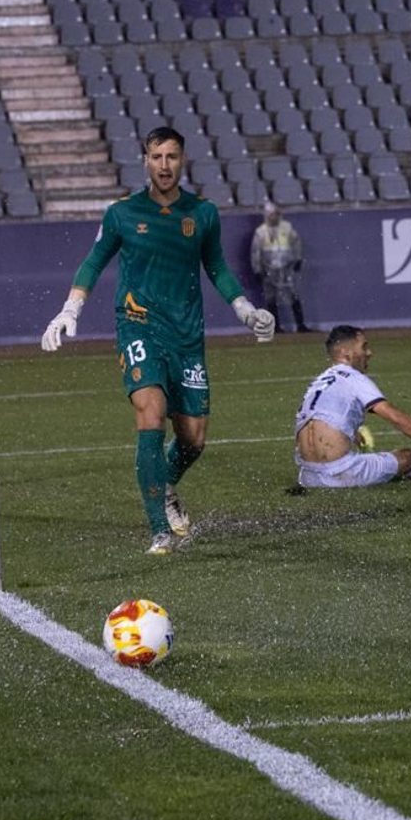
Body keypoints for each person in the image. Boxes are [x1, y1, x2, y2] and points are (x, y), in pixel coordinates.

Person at [38, 127, 277, 555]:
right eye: (156, 157)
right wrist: (71, 308)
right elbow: (93, 262)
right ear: (144, 161)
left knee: (194, 439)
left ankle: (164, 486)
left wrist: (244, 308)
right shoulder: (122, 213)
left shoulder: (202, 213)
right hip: (138, 325)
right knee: (151, 411)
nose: (164, 165)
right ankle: (158, 531)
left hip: (186, 334)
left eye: (171, 157)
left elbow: (217, 267)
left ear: (182, 160)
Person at [293, 326, 411, 491]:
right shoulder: (352, 377)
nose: (369, 352)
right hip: (342, 472)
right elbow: (394, 416)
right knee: (406, 457)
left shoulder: (319, 382)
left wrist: (353, 434)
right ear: (346, 353)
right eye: (364, 347)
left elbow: (320, 420)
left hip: (309, 476)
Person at [250, 202, 310, 334]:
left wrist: (298, 258)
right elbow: (256, 252)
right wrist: (257, 270)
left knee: (293, 295)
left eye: (277, 214)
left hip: (286, 268)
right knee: (271, 298)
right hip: (268, 269)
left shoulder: (287, 228)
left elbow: (296, 243)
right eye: (272, 214)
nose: (275, 217)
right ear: (267, 215)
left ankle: (300, 325)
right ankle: (276, 327)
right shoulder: (260, 232)